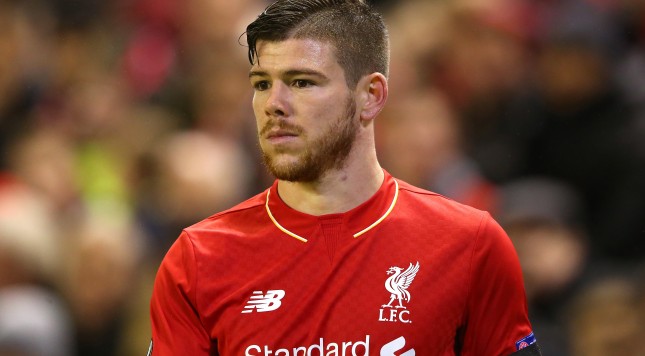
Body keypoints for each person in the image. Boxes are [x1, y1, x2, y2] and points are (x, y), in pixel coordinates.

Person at [148, 1, 541, 355]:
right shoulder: (198, 259)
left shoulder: (469, 244)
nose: (274, 105)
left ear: (370, 95)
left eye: (302, 82)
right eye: (262, 84)